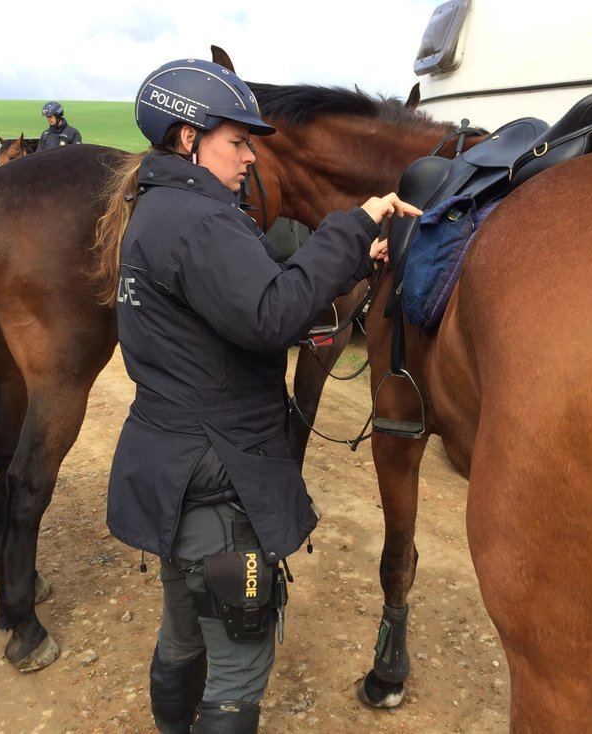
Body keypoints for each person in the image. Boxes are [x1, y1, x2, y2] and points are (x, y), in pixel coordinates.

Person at [105, 58, 420, 734]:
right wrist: (352, 224)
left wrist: (353, 261)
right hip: (221, 484)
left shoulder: (159, 211)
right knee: (241, 660)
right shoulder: (203, 223)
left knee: (183, 636)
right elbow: (272, 312)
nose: (251, 156)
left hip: (172, 471)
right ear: (189, 139)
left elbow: (239, 300)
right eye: (237, 141)